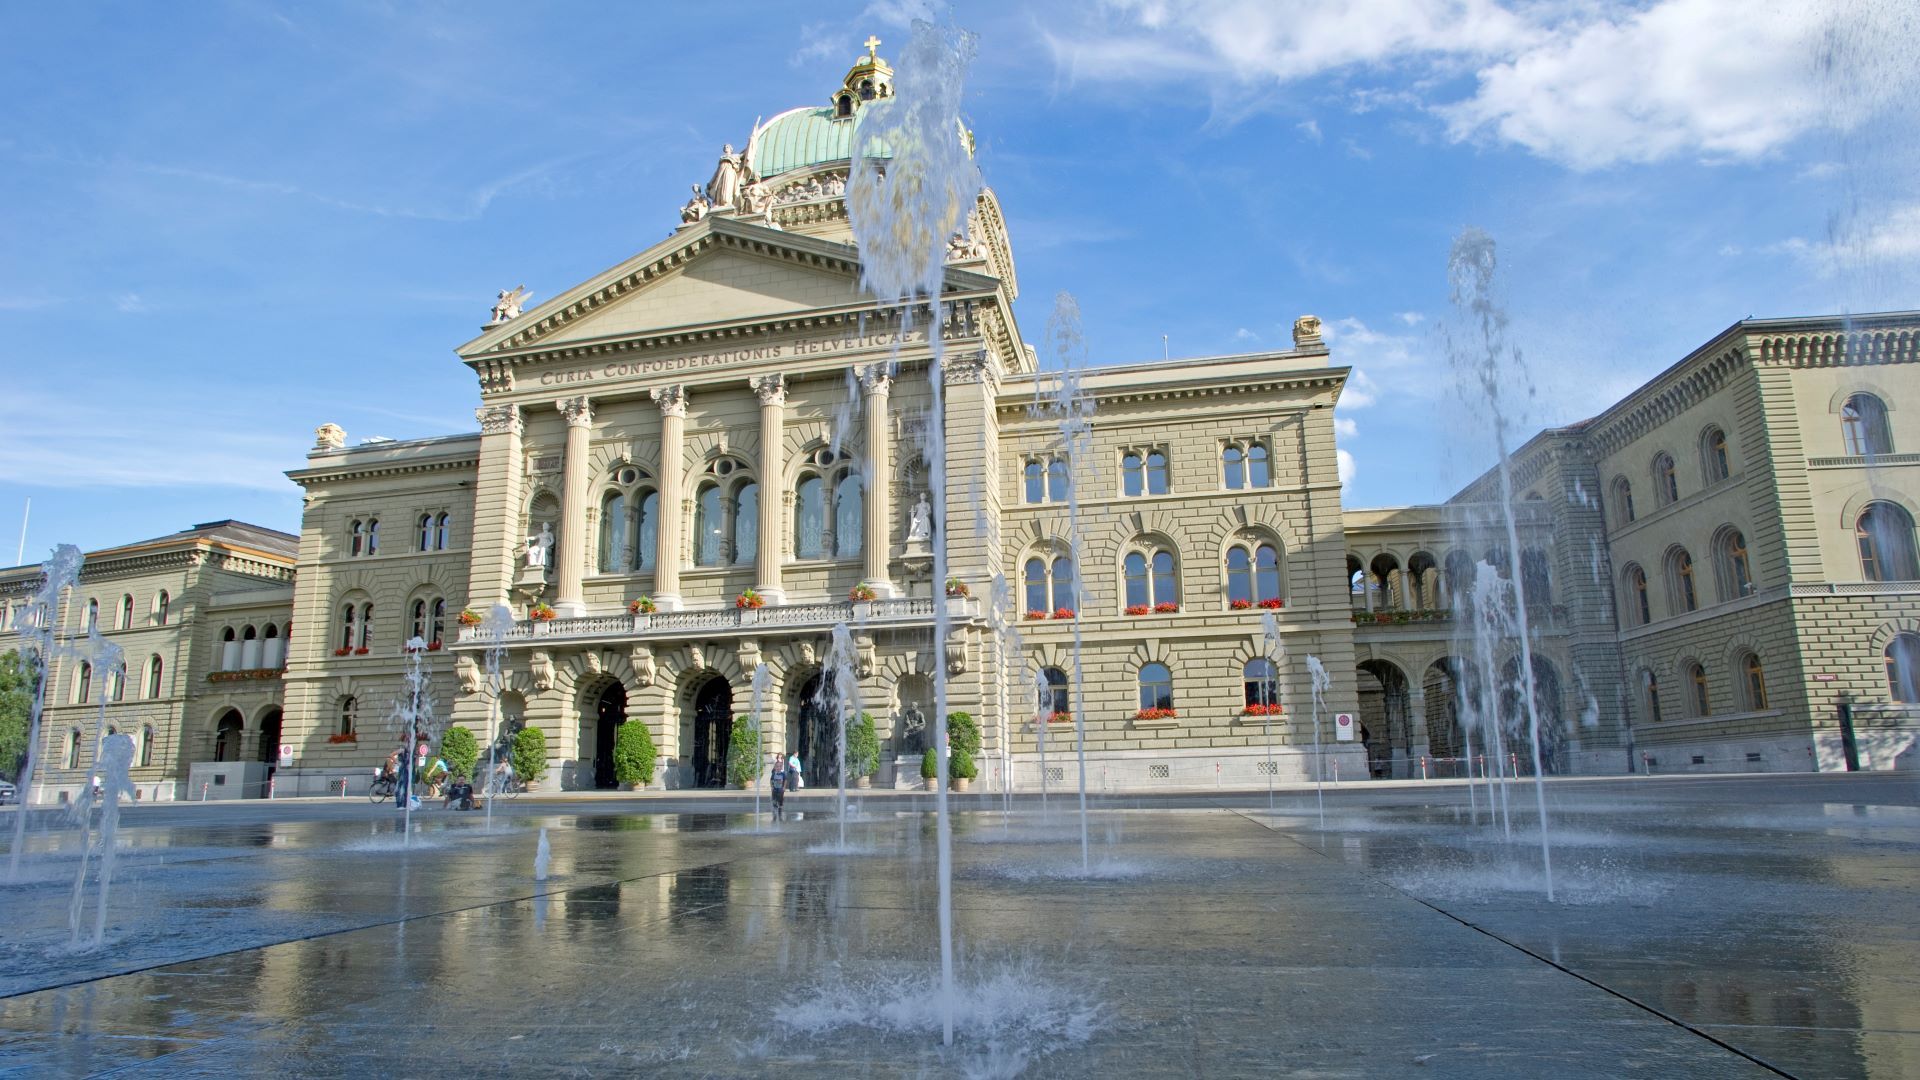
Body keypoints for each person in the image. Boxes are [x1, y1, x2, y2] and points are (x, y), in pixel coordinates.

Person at [768, 752, 788, 822]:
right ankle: (774, 816)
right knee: (774, 802)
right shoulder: (774, 774)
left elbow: (785, 780)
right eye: (777, 766)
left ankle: (780, 815)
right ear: (775, 767)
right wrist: (772, 787)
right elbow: (771, 780)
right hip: (775, 790)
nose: (778, 768)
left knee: (780, 803)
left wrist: (784, 787)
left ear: (781, 767)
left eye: (780, 766)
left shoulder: (783, 774)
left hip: (780, 790)